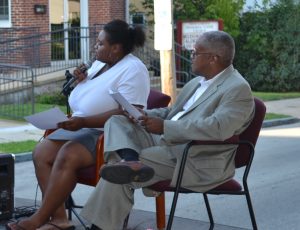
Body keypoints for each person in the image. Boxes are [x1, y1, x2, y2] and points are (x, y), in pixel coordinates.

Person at [80, 30, 255, 230]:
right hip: (169, 144)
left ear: (213, 58)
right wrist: (145, 115)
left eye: (195, 53)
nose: (191, 57)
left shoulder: (237, 88)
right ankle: (130, 161)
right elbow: (174, 112)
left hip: (195, 157)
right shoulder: (197, 83)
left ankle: (126, 171)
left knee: (120, 172)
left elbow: (219, 127)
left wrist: (165, 127)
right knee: (118, 120)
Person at [6, 19, 150, 230]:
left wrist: (84, 121)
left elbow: (129, 111)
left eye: (100, 43)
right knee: (41, 152)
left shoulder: (133, 69)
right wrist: (82, 81)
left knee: (68, 154)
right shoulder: (99, 65)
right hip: (80, 126)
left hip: (106, 133)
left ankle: (38, 219)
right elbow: (92, 95)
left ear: (116, 48)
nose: (95, 46)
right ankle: (59, 220)